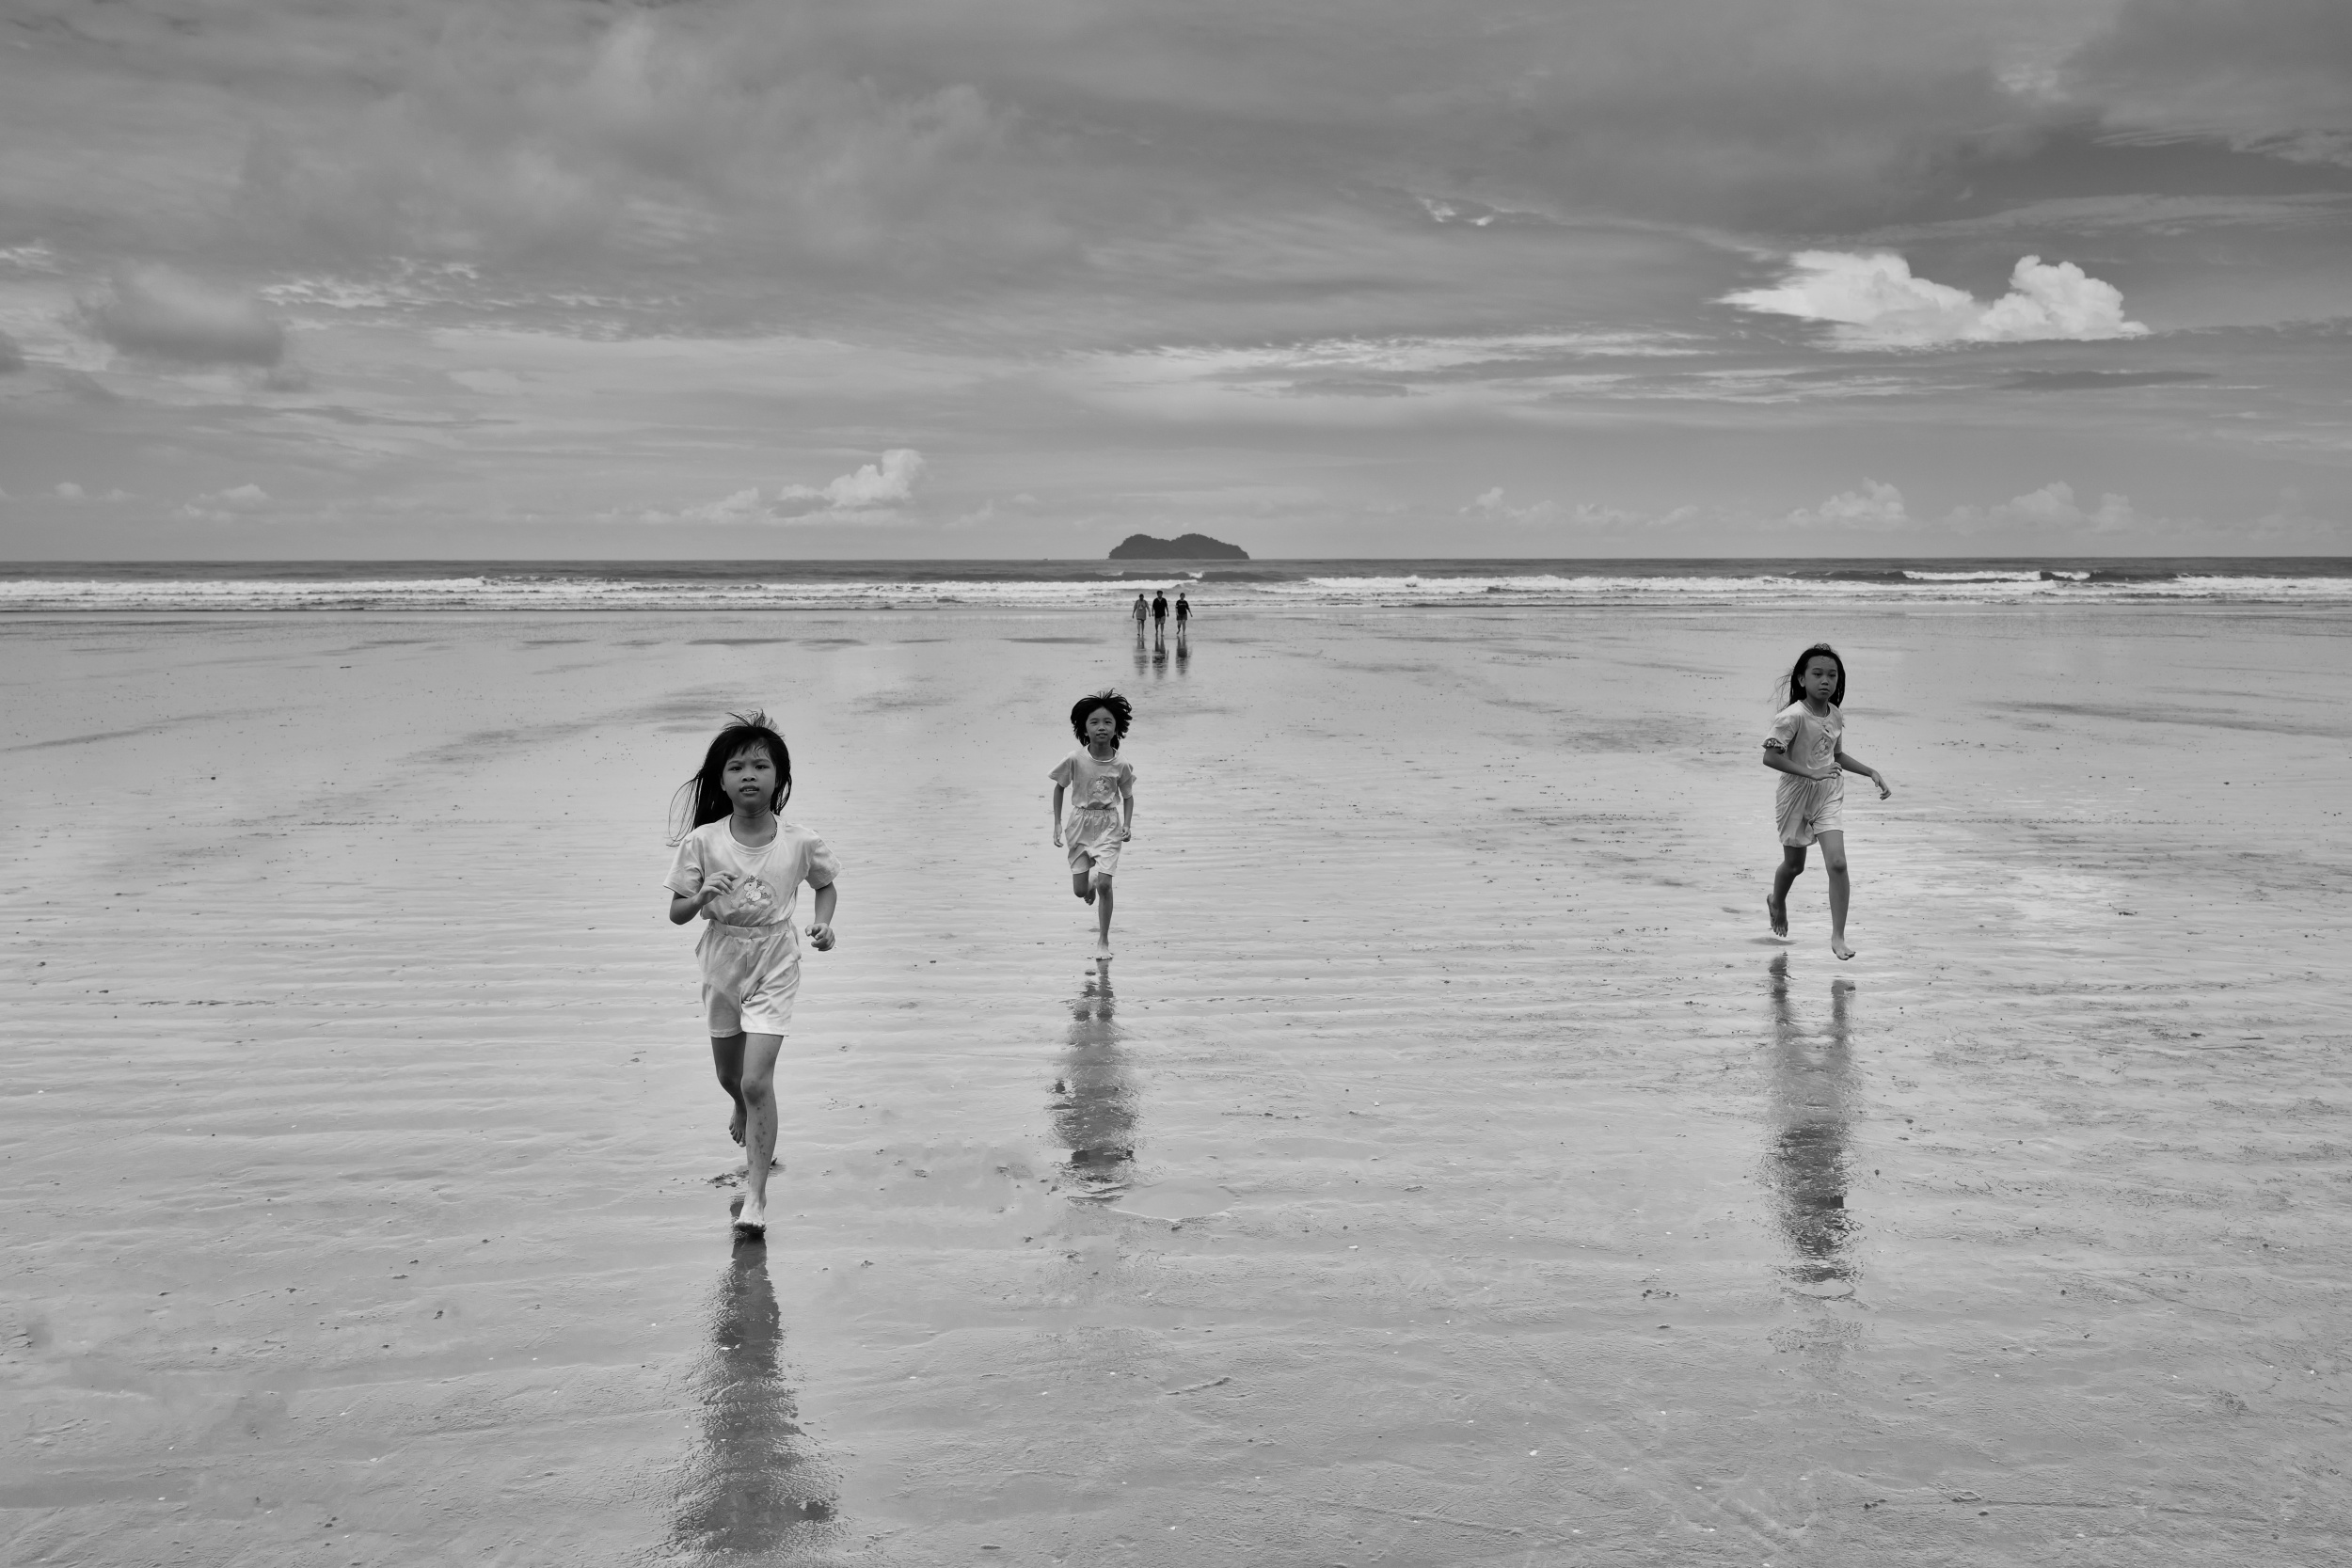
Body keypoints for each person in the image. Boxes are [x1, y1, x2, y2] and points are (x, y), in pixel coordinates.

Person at [664, 712, 840, 1239]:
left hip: (776, 957)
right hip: (722, 957)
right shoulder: (703, 841)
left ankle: (756, 1197)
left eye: (761, 766)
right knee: (730, 1078)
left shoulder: (800, 840)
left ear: (778, 777)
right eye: (737, 767)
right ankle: (741, 1106)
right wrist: (701, 895)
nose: (749, 775)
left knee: (757, 1078)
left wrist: (824, 924)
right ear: (720, 780)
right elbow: (677, 913)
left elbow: (825, 885)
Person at [1762, 644, 1890, 960]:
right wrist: (1811, 772)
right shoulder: (1792, 716)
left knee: (1838, 863)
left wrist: (1870, 771)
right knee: (1795, 866)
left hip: (1827, 793)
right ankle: (1777, 900)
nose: (1825, 681)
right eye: (1817, 674)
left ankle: (1838, 936)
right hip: (1794, 795)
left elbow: (1837, 756)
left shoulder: (1835, 714)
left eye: (1832, 675)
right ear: (1802, 679)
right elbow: (1770, 757)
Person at [1050, 689, 1136, 961]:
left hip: (1109, 823)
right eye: (1095, 722)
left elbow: (1128, 795)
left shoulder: (1121, 763)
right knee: (1080, 891)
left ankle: (1103, 941)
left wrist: (1128, 824)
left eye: (1108, 722)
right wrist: (1057, 823)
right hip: (1080, 823)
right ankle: (1090, 882)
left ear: (1117, 728)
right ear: (1084, 727)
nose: (1101, 727)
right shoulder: (1075, 759)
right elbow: (1059, 787)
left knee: (1106, 885)